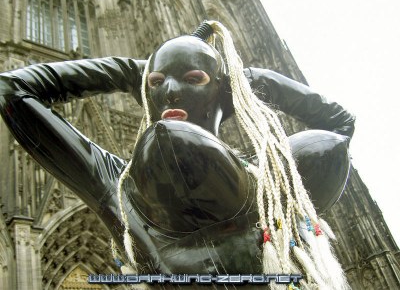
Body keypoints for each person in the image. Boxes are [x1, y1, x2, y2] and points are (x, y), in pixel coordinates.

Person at [0, 20, 354, 289]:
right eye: (156, 82)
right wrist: (130, 72)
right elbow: (11, 88)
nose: (170, 91)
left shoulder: (273, 181)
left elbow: (339, 127)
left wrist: (243, 81)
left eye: (194, 78)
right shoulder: (120, 190)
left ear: (224, 93)